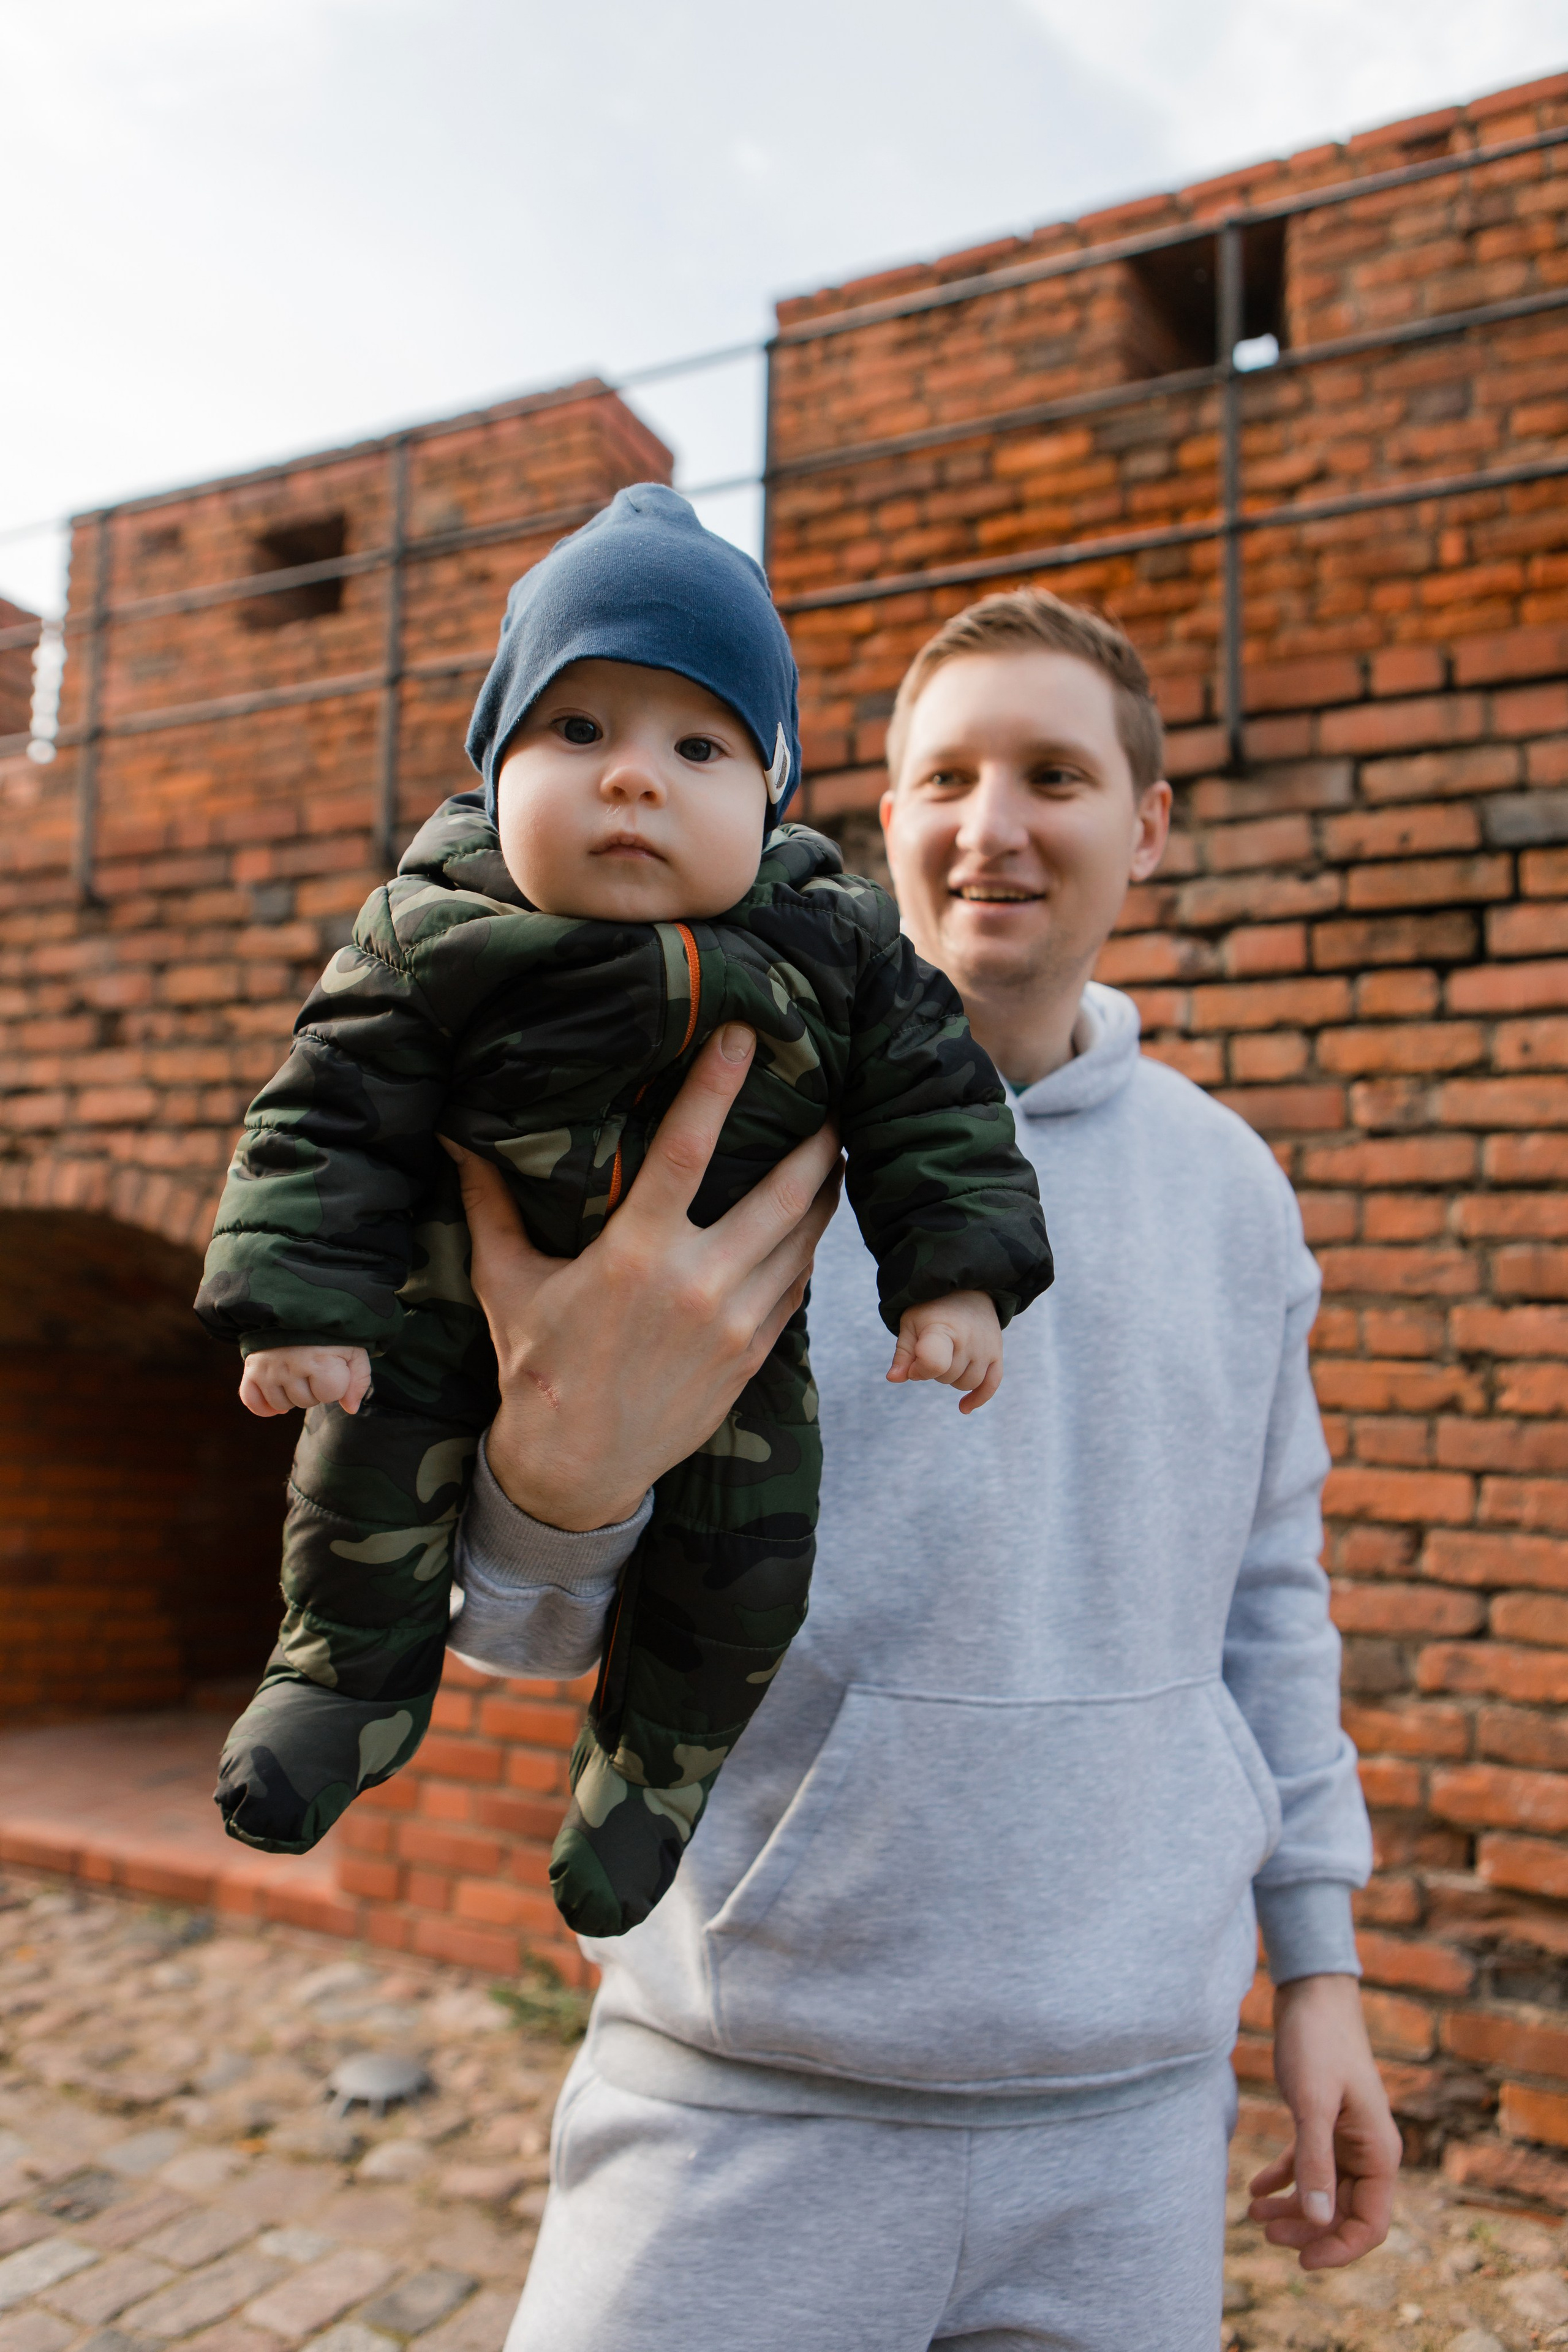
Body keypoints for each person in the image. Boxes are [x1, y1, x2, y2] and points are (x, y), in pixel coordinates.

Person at [447, 586, 1403, 2351]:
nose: (995, 827)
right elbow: (518, 1628)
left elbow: (1271, 1602)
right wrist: (555, 1479)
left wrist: (1319, 1972)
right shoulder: (705, 1148)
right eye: (945, 776)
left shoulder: (1232, 1193)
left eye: (1056, 774)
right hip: (739, 2102)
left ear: (1149, 825)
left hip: (1127, 2130)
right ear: (879, 821)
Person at [192, 486, 1052, 1940]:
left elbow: (937, 1103)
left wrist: (951, 1280)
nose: (631, 779)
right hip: (439, 1308)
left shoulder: (837, 942)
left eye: (695, 745)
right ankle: (338, 1680)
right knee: (357, 1477)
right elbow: (324, 1114)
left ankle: (654, 1771)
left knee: (750, 1558)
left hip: (732, 1362)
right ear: (493, 765)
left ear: (770, 792)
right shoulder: (431, 929)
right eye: (575, 731)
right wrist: (299, 1306)